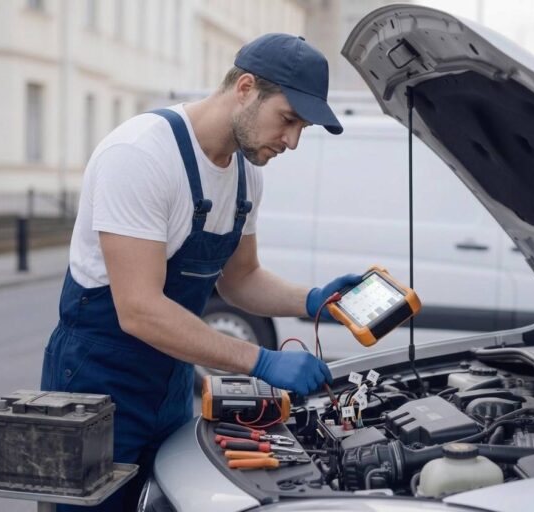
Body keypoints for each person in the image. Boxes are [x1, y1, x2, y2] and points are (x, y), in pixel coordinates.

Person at [41, 33, 361, 511]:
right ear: (246, 87)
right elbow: (140, 310)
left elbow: (241, 279)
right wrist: (261, 361)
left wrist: (312, 300)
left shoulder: (245, 174)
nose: (292, 141)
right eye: (288, 120)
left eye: (302, 130)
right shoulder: (141, 155)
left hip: (168, 383)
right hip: (96, 383)